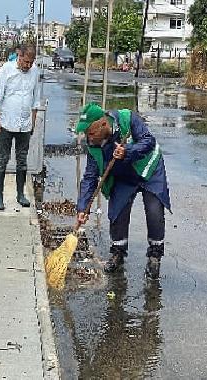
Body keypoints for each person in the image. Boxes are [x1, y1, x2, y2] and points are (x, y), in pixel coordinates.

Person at [75, 103, 171, 279]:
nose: (88, 137)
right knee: (117, 211)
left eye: (90, 131)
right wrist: (83, 207)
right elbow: (90, 177)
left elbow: (149, 141)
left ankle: (154, 257)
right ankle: (118, 253)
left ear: (103, 124)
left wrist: (128, 150)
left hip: (148, 168)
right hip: (123, 175)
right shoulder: (93, 146)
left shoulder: (127, 118)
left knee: (154, 211)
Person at [0, 44, 41, 210]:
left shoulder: (34, 72)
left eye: (31, 62)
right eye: (25, 61)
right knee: (2, 160)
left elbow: (35, 100)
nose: (28, 65)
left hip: (24, 124)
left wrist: (32, 122)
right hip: (6, 123)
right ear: (19, 56)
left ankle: (20, 194)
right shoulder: (6, 69)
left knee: (22, 160)